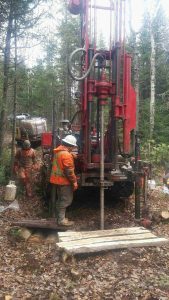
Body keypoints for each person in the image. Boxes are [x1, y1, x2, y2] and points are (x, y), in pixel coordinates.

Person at [50, 135, 78, 226]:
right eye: (73, 146)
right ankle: (61, 220)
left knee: (61, 199)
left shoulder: (59, 152)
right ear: (69, 145)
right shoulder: (66, 155)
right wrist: (74, 182)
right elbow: (69, 172)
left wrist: (71, 155)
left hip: (57, 180)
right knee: (66, 200)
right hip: (64, 181)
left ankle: (59, 217)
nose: (73, 148)